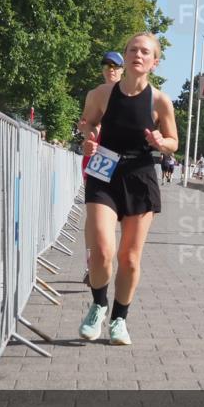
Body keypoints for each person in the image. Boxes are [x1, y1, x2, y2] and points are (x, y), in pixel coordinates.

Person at [78, 32, 178, 345]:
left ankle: (120, 319)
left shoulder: (160, 101)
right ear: (126, 55)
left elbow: (174, 142)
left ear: (154, 62)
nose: (138, 54)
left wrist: (163, 143)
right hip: (104, 172)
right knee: (102, 251)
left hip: (140, 175)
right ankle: (98, 305)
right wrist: (89, 138)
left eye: (145, 51)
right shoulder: (102, 94)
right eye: (133, 49)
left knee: (130, 258)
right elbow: (87, 123)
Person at [80, 51, 124, 283]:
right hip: (99, 157)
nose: (111, 69)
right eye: (106, 65)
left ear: (123, 69)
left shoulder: (132, 94)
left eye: (115, 66)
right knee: (95, 212)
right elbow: (85, 123)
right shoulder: (96, 93)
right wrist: (89, 132)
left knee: (117, 215)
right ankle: (91, 262)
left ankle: (110, 258)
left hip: (124, 160)